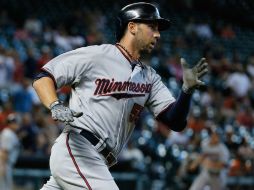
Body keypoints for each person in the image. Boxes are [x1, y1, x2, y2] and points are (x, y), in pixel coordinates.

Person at [33, 2, 208, 190]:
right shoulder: (96, 55)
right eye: (152, 27)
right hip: (79, 148)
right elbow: (43, 77)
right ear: (132, 27)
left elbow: (175, 121)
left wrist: (186, 91)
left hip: (98, 160)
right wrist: (55, 105)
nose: (157, 34)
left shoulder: (150, 77)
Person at [0, 113, 21, 190]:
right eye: (14, 122)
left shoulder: (10, 133)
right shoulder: (8, 134)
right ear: (9, 123)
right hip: (4, 164)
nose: (16, 124)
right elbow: (4, 152)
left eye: (16, 122)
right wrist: (2, 167)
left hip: (6, 164)